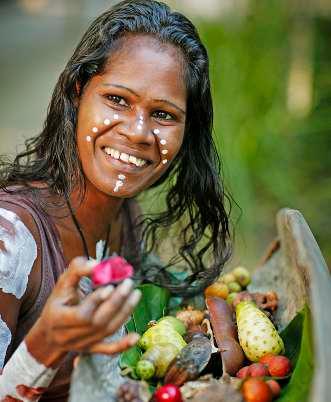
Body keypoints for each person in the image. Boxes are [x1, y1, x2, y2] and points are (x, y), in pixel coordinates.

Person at [0, 0, 231, 400]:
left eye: (163, 115)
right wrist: (46, 344)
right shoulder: (11, 243)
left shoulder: (124, 216)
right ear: (78, 92)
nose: (138, 132)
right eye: (117, 100)